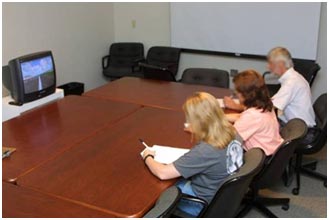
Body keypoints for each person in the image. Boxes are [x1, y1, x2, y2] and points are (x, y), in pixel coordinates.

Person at [142, 92, 243, 217]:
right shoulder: (232, 131)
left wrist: (148, 156)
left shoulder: (206, 150)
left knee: (153, 193)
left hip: (202, 202)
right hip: (223, 196)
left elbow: (163, 173)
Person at [224, 47, 316, 127]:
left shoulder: (291, 83)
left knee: (253, 125)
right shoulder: (294, 78)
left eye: (270, 63)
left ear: (280, 64)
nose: (268, 67)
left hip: (302, 132)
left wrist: (237, 106)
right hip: (297, 125)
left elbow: (267, 109)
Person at [226, 70, 283, 156]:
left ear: (246, 95)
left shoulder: (252, 116)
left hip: (259, 159)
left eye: (237, 92)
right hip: (272, 151)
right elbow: (242, 117)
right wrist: (221, 117)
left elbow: (230, 139)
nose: (236, 94)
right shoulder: (265, 105)